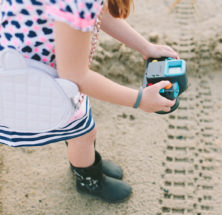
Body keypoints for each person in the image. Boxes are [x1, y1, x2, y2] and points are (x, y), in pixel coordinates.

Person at [0, 0, 179, 203]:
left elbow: (98, 12)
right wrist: (139, 99)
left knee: (79, 130)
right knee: (84, 135)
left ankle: (86, 161)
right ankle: (88, 180)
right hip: (32, 84)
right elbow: (77, 78)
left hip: (33, 61)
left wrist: (146, 47)